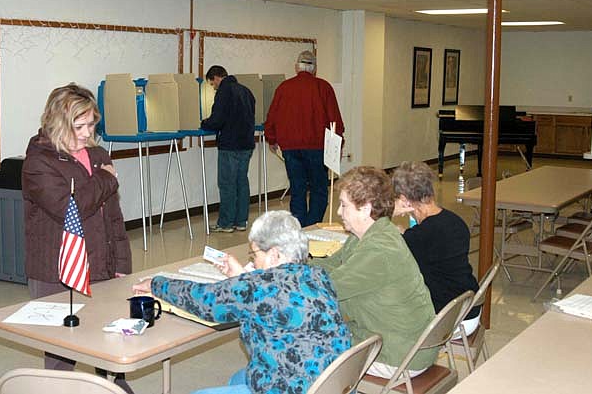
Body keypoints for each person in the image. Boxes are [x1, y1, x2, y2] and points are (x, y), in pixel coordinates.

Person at [133, 211, 351, 394]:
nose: (252, 261)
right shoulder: (318, 275)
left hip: (291, 386)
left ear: (274, 255)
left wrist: (156, 284)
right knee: (239, 378)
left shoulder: (260, 287)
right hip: (331, 380)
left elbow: (205, 301)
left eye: (254, 253)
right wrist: (241, 279)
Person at [22, 83, 133, 391]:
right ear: (58, 123)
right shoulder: (38, 162)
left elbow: (113, 217)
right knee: (61, 350)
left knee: (107, 338)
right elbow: (69, 208)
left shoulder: (97, 154)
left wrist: (121, 264)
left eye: (92, 124)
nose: (87, 133)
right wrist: (104, 179)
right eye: (79, 126)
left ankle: (109, 389)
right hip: (55, 271)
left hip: (101, 264)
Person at [312, 166, 437, 379]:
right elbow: (331, 264)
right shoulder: (372, 233)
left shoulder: (378, 251)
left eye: (344, 205)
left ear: (365, 208)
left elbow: (327, 290)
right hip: (404, 342)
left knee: (303, 349)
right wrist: (292, 266)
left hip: (400, 355)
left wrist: (282, 276)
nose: (339, 212)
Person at [392, 161, 481, 335]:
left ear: (404, 199)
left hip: (449, 320)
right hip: (470, 307)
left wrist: (389, 213)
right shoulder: (455, 221)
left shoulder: (419, 237)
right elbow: (429, 243)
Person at [264, 50, 344, 227]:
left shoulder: (284, 88)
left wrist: (272, 139)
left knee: (298, 189)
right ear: (314, 69)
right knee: (319, 189)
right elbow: (335, 120)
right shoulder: (323, 87)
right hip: (317, 147)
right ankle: (313, 226)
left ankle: (299, 228)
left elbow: (272, 116)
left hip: (290, 148)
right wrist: (338, 145)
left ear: (296, 67)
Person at [201, 65, 256, 233]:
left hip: (230, 145)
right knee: (242, 182)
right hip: (246, 144)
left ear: (216, 77)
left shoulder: (224, 92)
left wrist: (204, 123)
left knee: (227, 184)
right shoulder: (246, 90)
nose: (213, 87)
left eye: (212, 83)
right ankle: (241, 221)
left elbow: (217, 119)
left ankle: (225, 223)